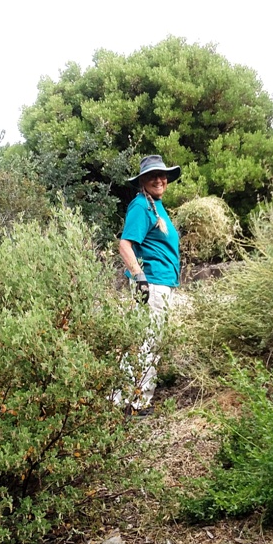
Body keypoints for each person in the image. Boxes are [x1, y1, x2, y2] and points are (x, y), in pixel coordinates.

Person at [114, 155, 182, 415]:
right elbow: (125, 245)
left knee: (142, 340)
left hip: (158, 283)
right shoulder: (141, 206)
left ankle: (121, 399)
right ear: (142, 180)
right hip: (151, 284)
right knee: (149, 343)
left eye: (162, 175)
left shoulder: (156, 206)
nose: (159, 179)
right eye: (152, 175)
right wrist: (139, 276)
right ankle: (138, 403)